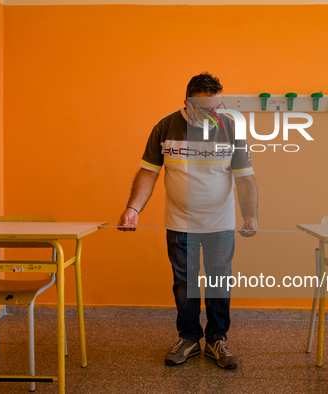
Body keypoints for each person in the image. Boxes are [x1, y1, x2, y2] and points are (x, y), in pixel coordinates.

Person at [117, 72, 257, 370]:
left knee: (219, 279)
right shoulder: (165, 127)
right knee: (185, 282)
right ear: (187, 103)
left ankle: (217, 339)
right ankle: (190, 338)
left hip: (221, 222)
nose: (214, 114)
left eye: (218, 107)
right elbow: (148, 172)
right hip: (180, 222)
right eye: (207, 108)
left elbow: (245, 179)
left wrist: (250, 215)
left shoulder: (230, 128)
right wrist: (133, 208)